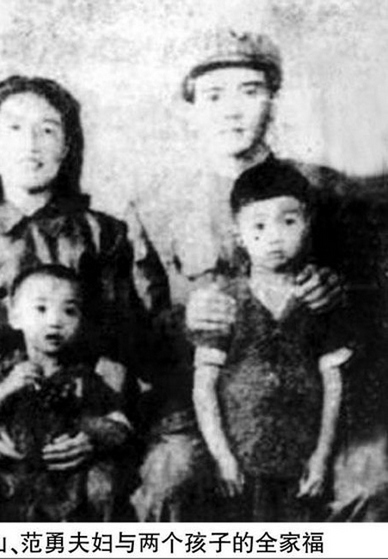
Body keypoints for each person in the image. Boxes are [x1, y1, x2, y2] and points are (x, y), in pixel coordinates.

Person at [131, 28, 387, 521]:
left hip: (322, 401)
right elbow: (135, 335)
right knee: (169, 478)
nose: (232, 110)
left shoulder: (328, 191)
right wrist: (184, 320)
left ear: (273, 99)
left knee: (370, 482)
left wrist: (340, 295)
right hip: (202, 407)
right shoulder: (157, 208)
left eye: (249, 91)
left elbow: (376, 308)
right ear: (190, 109)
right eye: (213, 96)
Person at [0, 75, 159, 521]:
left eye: (47, 129)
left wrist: (93, 430)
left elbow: (118, 345)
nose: (31, 143)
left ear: (67, 145)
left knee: (104, 492)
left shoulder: (102, 234)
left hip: (75, 414)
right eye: (14, 128)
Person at [192, 158, 354, 521]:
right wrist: (222, 457)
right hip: (241, 458)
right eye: (259, 226)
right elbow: (204, 386)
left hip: (300, 457)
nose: (275, 236)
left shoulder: (318, 299)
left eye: (289, 221)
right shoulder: (223, 302)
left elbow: (334, 383)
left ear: (308, 223)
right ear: (238, 234)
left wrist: (321, 457)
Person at [0, 264, 131, 521]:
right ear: (15, 317)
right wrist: (7, 388)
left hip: (67, 485)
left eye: (69, 311)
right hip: (7, 479)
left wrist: (92, 433)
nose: (55, 321)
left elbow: (120, 427)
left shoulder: (83, 377)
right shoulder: (0, 371)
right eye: (41, 309)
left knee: (104, 486)